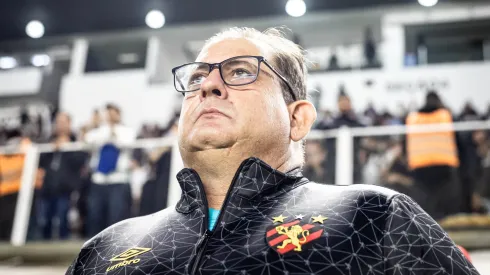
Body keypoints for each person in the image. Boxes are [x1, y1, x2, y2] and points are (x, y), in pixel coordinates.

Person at [67, 27, 478, 274]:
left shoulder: (374, 215)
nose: (208, 86)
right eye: (196, 79)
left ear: (297, 118)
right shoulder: (104, 248)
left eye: (241, 71)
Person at [405, 91, 461, 220]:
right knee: (443, 200)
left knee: (425, 201)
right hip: (443, 165)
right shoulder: (445, 115)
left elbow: (406, 141)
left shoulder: (413, 118)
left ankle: (427, 227)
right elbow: (457, 139)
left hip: (420, 166)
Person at [84, 103, 136, 237]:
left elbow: (127, 142)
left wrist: (112, 133)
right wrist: (96, 125)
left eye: (113, 113)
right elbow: (87, 139)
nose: (110, 116)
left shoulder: (126, 131)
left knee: (116, 216)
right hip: (99, 179)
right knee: (95, 214)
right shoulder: (99, 130)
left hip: (118, 179)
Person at [38, 112, 87, 240]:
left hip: (65, 190)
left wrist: (66, 147)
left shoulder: (75, 141)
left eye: (63, 122)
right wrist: (52, 148)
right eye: (58, 122)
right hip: (47, 188)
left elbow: (80, 161)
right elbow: (40, 162)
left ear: (69, 124)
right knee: (45, 220)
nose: (60, 125)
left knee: (62, 220)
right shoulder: (48, 141)